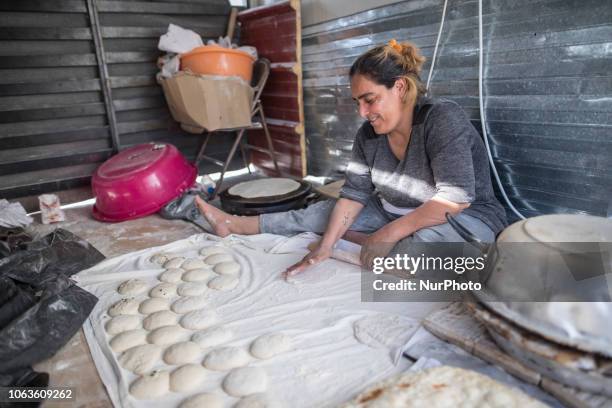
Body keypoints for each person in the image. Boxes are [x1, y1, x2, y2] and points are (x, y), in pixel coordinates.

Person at [195, 39, 507, 276]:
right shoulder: (368, 135)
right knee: (320, 215)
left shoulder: (442, 118)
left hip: (466, 218)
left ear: (399, 88)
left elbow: (455, 199)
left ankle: (368, 241)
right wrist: (326, 246)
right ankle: (233, 223)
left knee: (418, 252)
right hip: (391, 211)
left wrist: (389, 233)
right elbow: (354, 195)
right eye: (358, 102)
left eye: (370, 100)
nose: (362, 112)